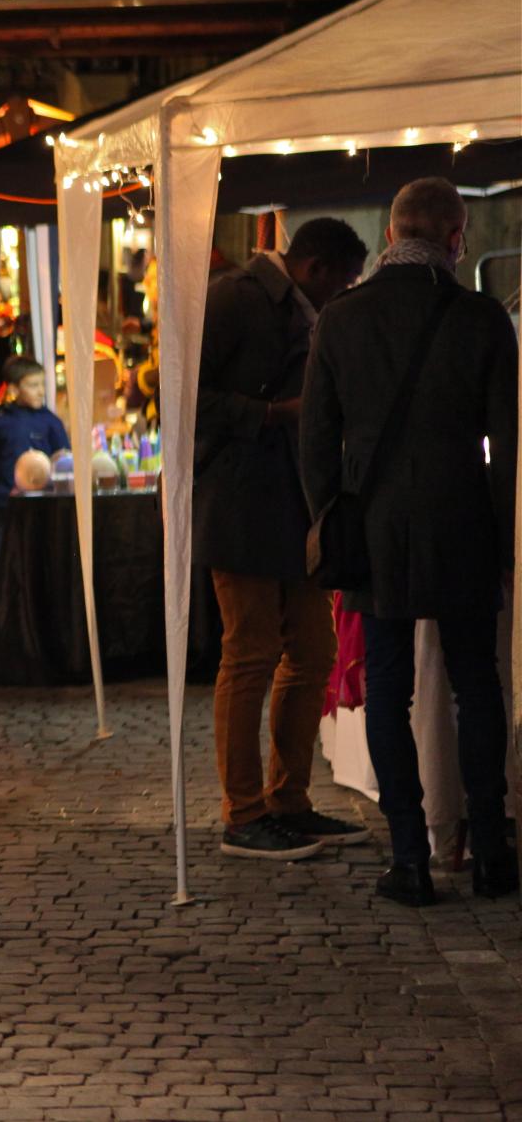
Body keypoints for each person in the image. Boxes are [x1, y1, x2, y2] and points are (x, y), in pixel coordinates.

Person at [301, 177, 520, 907]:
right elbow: (509, 446)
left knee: (389, 691)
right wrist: (506, 540)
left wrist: (331, 514)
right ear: (457, 239)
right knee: (477, 687)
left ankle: (409, 857)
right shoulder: (484, 319)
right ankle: (489, 851)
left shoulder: (340, 319)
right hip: (464, 521)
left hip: (374, 529)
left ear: (391, 237)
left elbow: (315, 444)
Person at [194, 218, 370, 862]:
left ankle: (288, 801)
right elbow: (186, 394)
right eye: (343, 281)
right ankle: (243, 814)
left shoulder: (296, 306)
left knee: (314, 651)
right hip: (240, 500)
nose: (341, 294)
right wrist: (270, 414)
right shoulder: (234, 296)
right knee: (249, 654)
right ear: (316, 267)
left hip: (294, 503)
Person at [0, 356, 70, 574]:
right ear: (13, 389)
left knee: (36, 558)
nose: (41, 391)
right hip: (6, 504)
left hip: (42, 504)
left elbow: (63, 458)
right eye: (33, 385)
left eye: (42, 384)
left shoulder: (51, 422)